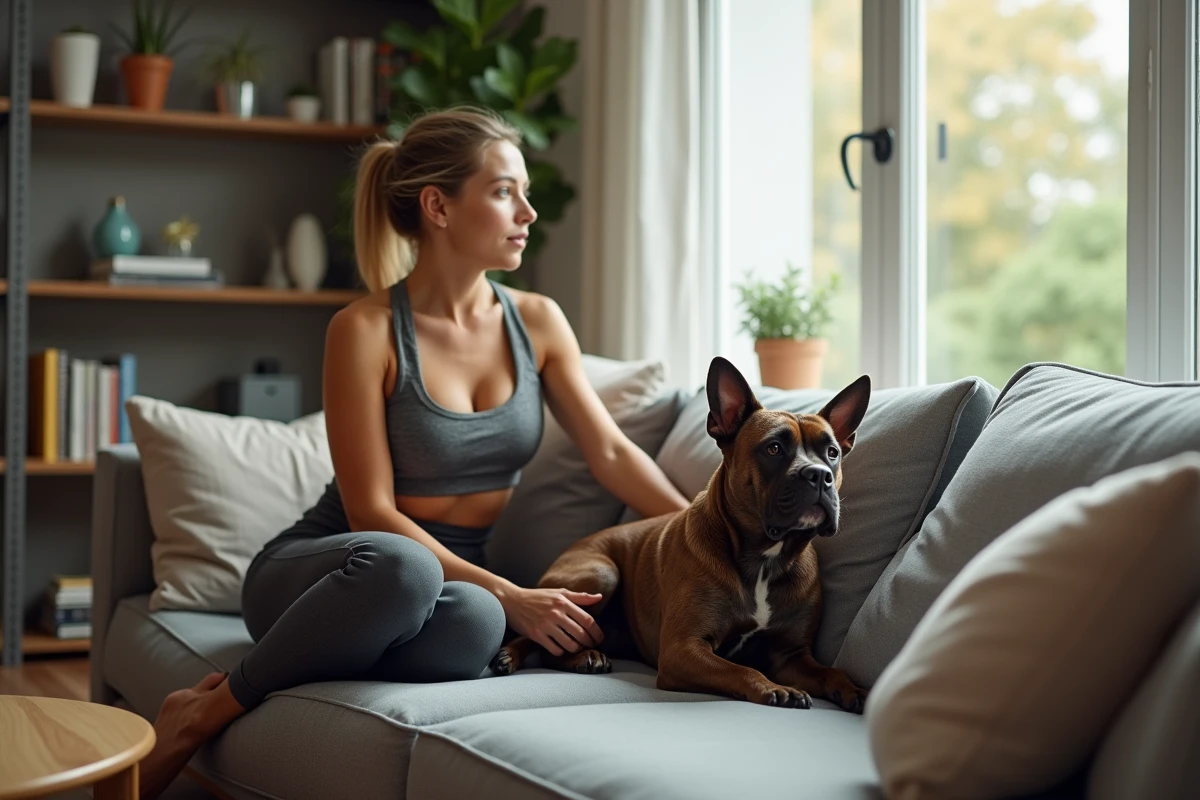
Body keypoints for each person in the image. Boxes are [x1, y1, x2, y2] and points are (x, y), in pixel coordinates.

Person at [137, 106, 692, 799]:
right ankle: (201, 713)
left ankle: (321, 651)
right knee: (406, 570)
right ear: (438, 205)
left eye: (524, 191)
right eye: (503, 191)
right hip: (337, 564)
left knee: (477, 626)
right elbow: (370, 508)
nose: (528, 210)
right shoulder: (364, 329)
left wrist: (706, 530)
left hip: (449, 583)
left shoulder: (539, 321)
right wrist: (516, 593)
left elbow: (609, 452)